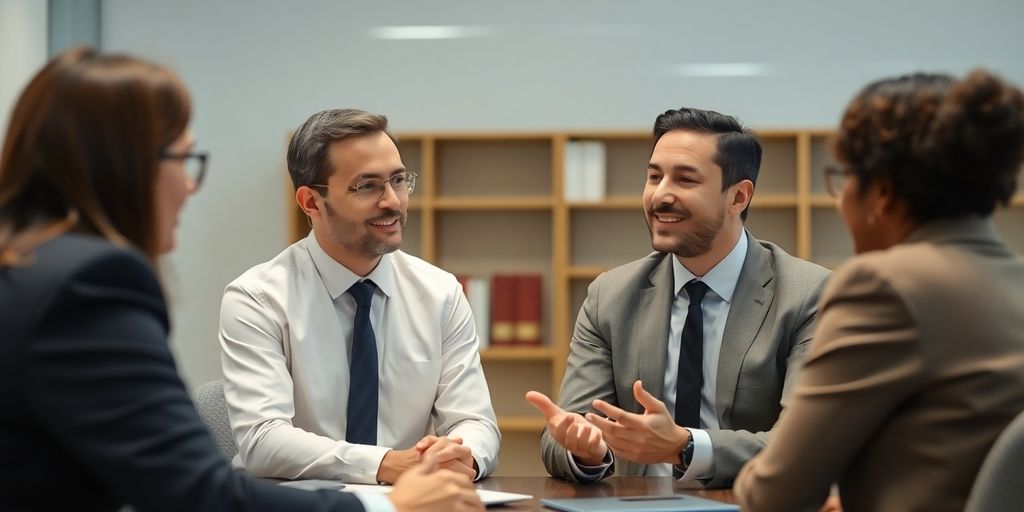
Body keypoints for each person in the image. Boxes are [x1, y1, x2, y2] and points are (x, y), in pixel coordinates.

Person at [0, 47, 483, 512]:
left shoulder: (25, 269)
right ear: (121, 166)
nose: (190, 186)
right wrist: (391, 504)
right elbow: (197, 492)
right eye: (182, 160)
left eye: (399, 180)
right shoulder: (91, 285)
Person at [734, 70, 1024, 512]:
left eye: (844, 177)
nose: (841, 198)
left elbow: (776, 495)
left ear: (883, 191)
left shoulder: (883, 286)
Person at [527, 107, 831, 488]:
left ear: (738, 196)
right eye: (654, 176)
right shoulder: (611, 296)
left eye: (685, 179)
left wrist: (686, 447)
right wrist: (587, 451)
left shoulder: (808, 295)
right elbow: (565, 431)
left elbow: (807, 446)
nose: (661, 195)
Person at [219, 109, 500, 485]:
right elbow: (263, 440)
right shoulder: (257, 299)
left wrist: (462, 456)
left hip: (407, 501)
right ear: (310, 202)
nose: (392, 201)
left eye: (398, 180)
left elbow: (475, 421)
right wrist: (385, 465)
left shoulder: (440, 294)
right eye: (367, 186)